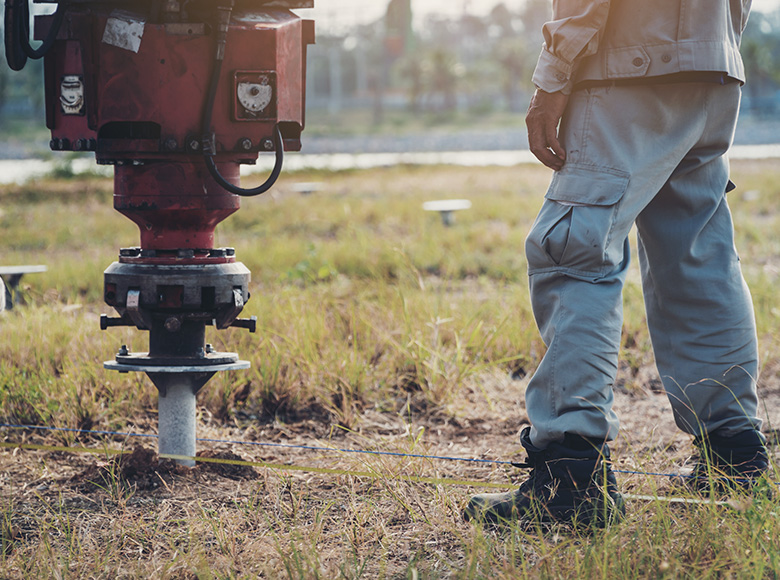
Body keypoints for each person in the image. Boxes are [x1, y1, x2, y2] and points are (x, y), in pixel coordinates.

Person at [465, 0, 769, 526]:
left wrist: (554, 76)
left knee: (575, 250)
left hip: (629, 65)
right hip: (714, 66)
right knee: (698, 254)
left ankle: (571, 479)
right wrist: (712, 46)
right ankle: (735, 457)